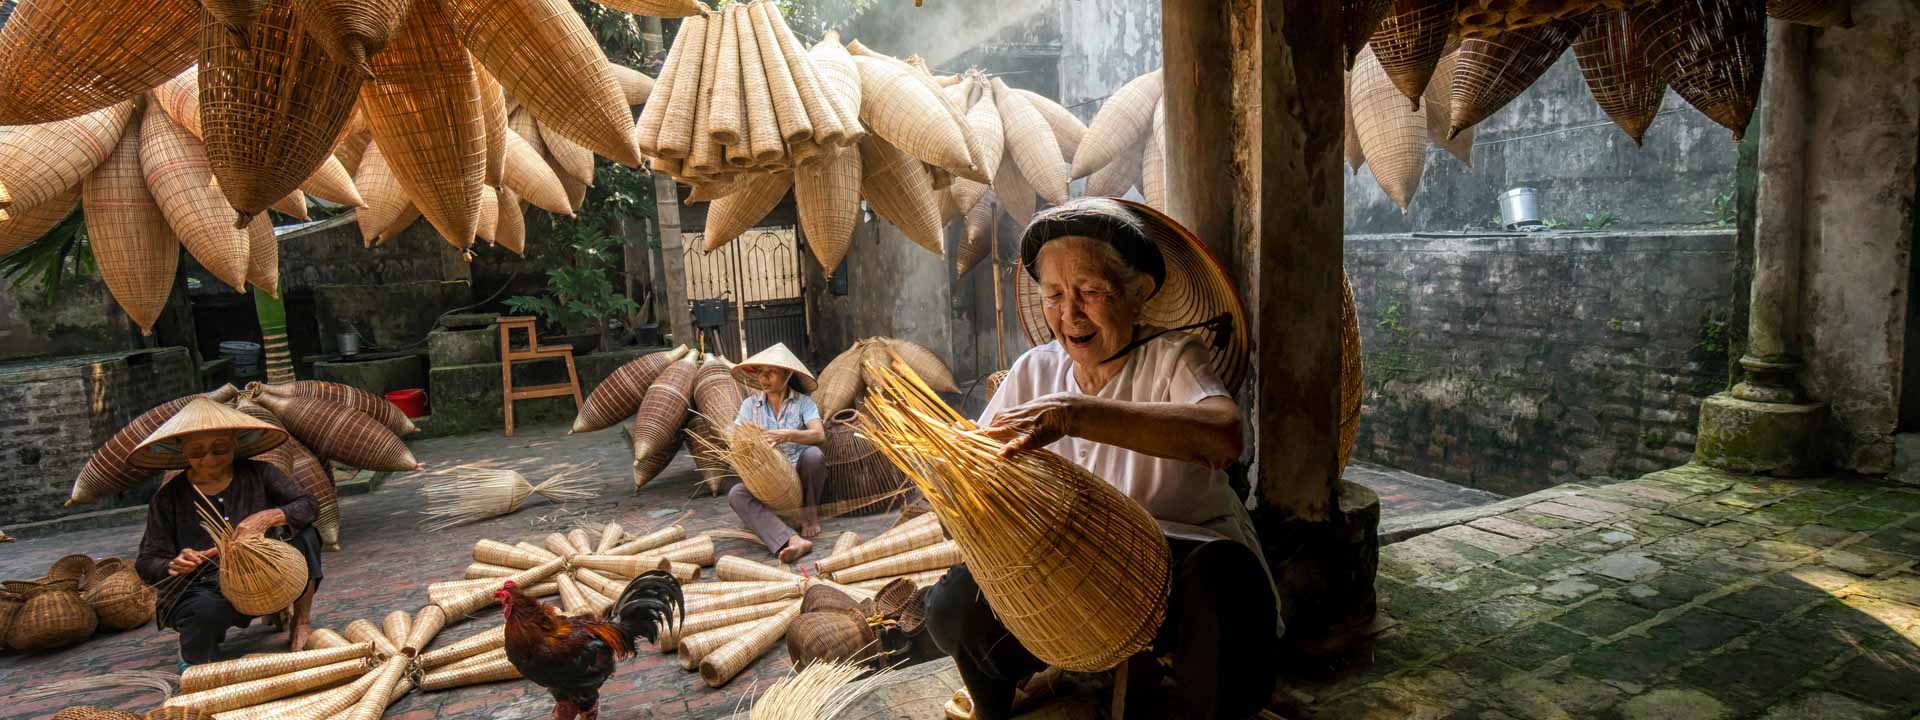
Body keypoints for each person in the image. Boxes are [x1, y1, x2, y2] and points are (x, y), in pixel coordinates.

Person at [924, 198, 1278, 720]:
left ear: (1140, 292)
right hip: (1071, 568)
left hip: (1178, 558)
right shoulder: (1034, 371)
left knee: (1227, 595)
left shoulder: (1173, 358)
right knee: (955, 604)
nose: (1070, 314)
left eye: (1091, 291)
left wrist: (1077, 415)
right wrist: (953, 488)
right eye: (1054, 295)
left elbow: (1225, 435)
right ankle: (1000, 703)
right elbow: (979, 461)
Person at [131, 398, 325, 669]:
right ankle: (198, 648)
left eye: (219, 449)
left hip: (261, 571)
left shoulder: (260, 473)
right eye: (197, 452)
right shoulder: (168, 498)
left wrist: (267, 517)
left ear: (234, 443)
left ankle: (301, 622)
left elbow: (309, 505)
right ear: (182, 451)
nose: (209, 459)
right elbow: (147, 561)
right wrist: (173, 564)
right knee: (205, 615)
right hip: (206, 586)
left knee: (306, 535)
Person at [726, 343, 830, 563]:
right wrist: (748, 442)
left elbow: (819, 434)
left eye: (771, 373)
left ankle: (809, 516)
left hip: (798, 481)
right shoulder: (749, 406)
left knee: (813, 456)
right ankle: (791, 539)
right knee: (736, 493)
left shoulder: (803, 403)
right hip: (766, 485)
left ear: (787, 374)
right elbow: (735, 439)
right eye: (761, 373)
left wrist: (789, 435)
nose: (764, 379)